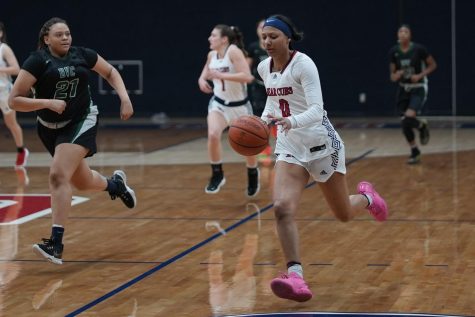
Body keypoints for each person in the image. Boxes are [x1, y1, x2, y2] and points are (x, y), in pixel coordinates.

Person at [258, 14, 389, 302]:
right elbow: (271, 102)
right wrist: (262, 121)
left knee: (342, 214)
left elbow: (317, 109)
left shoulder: (304, 64)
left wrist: (290, 121)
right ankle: (296, 277)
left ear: (287, 38)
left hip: (321, 145)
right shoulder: (263, 67)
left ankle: (367, 199)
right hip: (290, 147)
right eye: (264, 37)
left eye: (273, 36)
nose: (267, 41)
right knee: (281, 207)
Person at [8, 17, 137, 265]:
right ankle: (115, 186)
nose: (66, 38)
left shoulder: (82, 55)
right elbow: (14, 100)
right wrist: (46, 103)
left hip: (81, 120)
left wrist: (124, 97)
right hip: (48, 127)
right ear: (46, 39)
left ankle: (56, 243)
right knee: (82, 181)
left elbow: (110, 72)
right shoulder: (36, 61)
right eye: (59, 35)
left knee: (58, 176)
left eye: (67, 33)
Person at [198, 24, 260, 197]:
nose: (210, 38)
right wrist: (202, 81)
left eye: (213, 35)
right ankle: (217, 174)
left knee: (248, 144)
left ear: (224, 39)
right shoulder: (211, 55)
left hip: (239, 106)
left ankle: (252, 172)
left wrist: (222, 76)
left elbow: (247, 77)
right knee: (213, 134)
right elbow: (204, 74)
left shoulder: (233, 52)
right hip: (219, 104)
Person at [388, 24, 437, 164]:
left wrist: (420, 75)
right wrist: (396, 75)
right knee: (405, 123)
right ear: (397, 35)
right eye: (400, 31)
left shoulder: (419, 49)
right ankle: (415, 150)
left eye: (405, 31)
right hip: (404, 88)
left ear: (410, 35)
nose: (403, 33)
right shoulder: (393, 52)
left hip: (418, 87)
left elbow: (433, 65)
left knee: (409, 117)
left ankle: (422, 126)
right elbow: (392, 76)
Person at [246, 19, 277, 165]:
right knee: (261, 120)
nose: (262, 29)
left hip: (276, 86)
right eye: (260, 26)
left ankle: (283, 148)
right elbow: (247, 67)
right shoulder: (253, 47)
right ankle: (265, 149)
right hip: (258, 87)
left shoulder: (276, 45)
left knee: (277, 117)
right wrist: (247, 76)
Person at [0, 21, 29, 167]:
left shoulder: (4, 48)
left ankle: (21, 150)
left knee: (10, 123)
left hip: (4, 91)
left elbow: (16, 69)